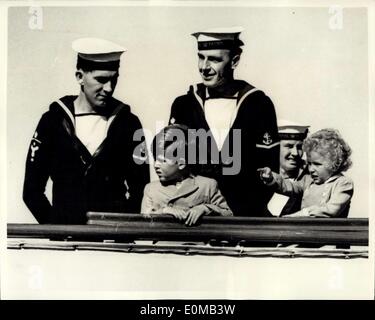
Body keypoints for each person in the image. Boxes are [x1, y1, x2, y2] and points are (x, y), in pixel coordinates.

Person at [23, 38, 150, 224]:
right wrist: (57, 229)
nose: (109, 88)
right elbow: (31, 191)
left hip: (114, 245)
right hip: (66, 245)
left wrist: (122, 231)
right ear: (79, 76)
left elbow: (141, 188)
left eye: (114, 80)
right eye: (101, 80)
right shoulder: (52, 122)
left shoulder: (129, 123)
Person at [168, 27, 279, 217]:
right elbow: (171, 166)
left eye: (214, 59)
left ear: (235, 61)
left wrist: (233, 214)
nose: (204, 66)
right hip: (191, 220)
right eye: (201, 57)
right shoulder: (183, 105)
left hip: (243, 219)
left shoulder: (258, 104)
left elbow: (267, 171)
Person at [141, 124, 233, 226]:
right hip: (163, 241)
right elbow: (143, 221)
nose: (155, 165)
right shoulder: (151, 189)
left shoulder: (207, 185)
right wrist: (164, 211)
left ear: (181, 163)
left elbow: (228, 214)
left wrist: (205, 208)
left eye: (162, 160)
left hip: (195, 240)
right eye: (155, 159)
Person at [258, 129, 353, 218]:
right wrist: (271, 179)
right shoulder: (308, 180)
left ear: (334, 163)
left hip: (330, 233)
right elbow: (289, 187)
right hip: (306, 230)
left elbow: (332, 210)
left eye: (317, 164)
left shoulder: (343, 183)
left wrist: (302, 214)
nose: (311, 169)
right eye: (309, 163)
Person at [266, 120, 309, 216]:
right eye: (289, 146)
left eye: (299, 147)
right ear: (276, 148)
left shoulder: (311, 175)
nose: (295, 153)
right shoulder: (263, 173)